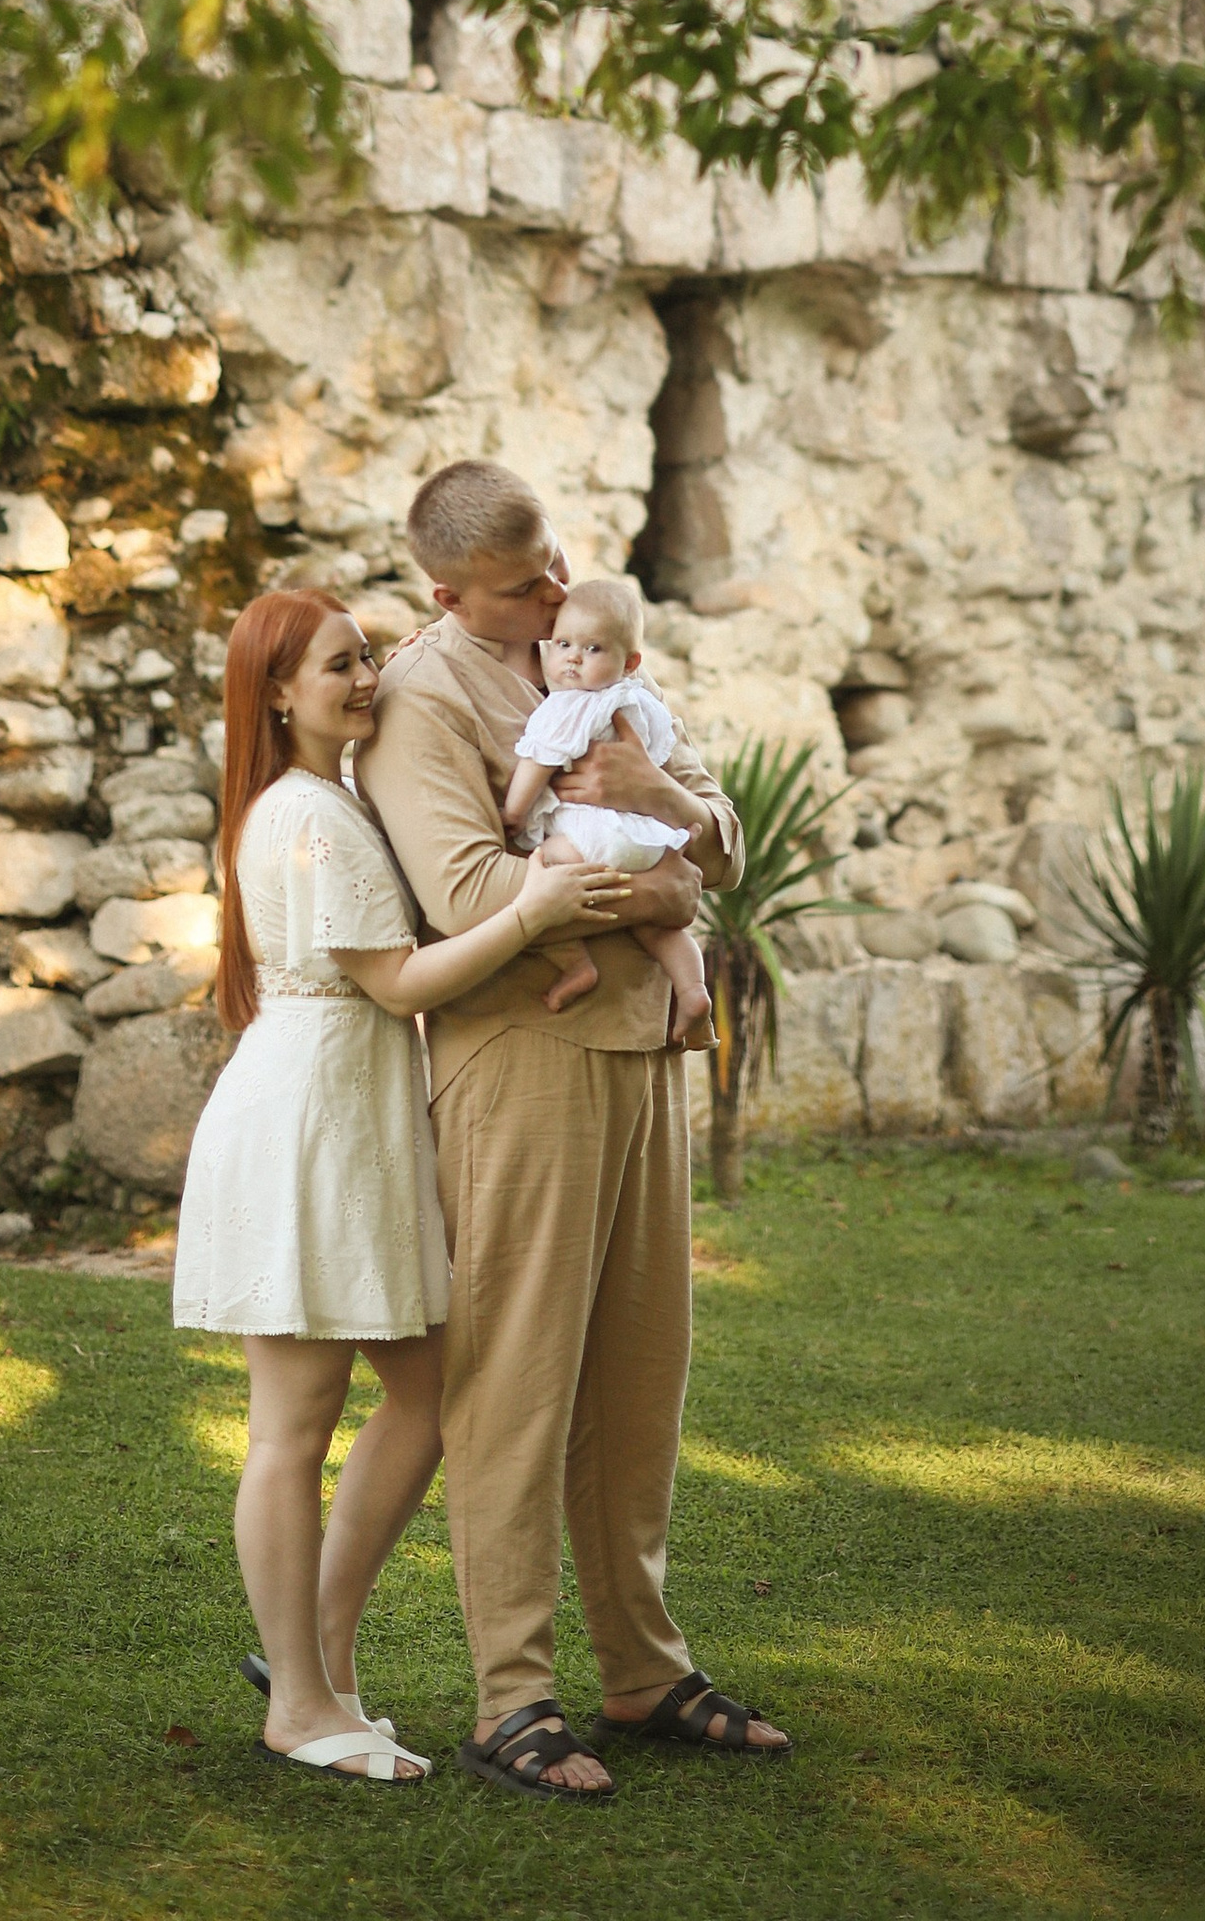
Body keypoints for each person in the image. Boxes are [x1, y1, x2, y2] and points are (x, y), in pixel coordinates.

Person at [357, 458, 793, 1800]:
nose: (555, 593)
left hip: (645, 1054)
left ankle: (644, 1670)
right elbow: (470, 890)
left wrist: (662, 809)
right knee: (515, 1382)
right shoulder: (422, 700)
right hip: (518, 1064)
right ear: (449, 597)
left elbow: (721, 837)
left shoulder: (605, 659)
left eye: (555, 563)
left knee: (640, 1377)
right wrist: (663, 893)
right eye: (522, 586)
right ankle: (512, 1698)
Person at [173, 584, 625, 1786]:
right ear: (278, 693)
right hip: (308, 1127)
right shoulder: (307, 817)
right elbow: (397, 983)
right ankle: (298, 1704)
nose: (366, 680)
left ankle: (317, 1660)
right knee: (292, 1428)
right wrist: (534, 912)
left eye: (367, 656)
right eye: (337, 666)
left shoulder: (334, 800)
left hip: (353, 1123)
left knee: (429, 1394)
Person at [502, 574, 712, 1046]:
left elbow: (542, 757)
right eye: (563, 645)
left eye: (592, 649)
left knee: (545, 879)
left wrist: (514, 812)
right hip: (645, 836)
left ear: (630, 662)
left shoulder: (571, 705)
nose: (573, 658)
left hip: (594, 837)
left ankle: (576, 964)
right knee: (657, 928)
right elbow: (659, 756)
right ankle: (693, 990)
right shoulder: (639, 700)